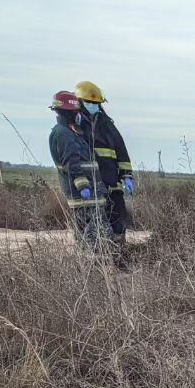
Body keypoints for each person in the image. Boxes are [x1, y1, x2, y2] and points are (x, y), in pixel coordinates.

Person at [73, 80, 133, 263]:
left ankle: (117, 257)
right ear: (79, 102)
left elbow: (121, 153)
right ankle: (89, 261)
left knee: (118, 222)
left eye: (96, 103)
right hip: (88, 186)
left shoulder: (108, 126)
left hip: (111, 183)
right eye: (89, 102)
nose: (93, 106)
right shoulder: (74, 127)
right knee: (88, 225)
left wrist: (127, 176)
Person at [47, 90, 107, 253]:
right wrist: (83, 186)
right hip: (82, 194)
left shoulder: (72, 131)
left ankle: (95, 266)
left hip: (91, 191)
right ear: (68, 112)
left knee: (98, 235)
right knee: (90, 236)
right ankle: (90, 268)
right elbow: (71, 163)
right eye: (76, 111)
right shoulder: (63, 134)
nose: (78, 114)